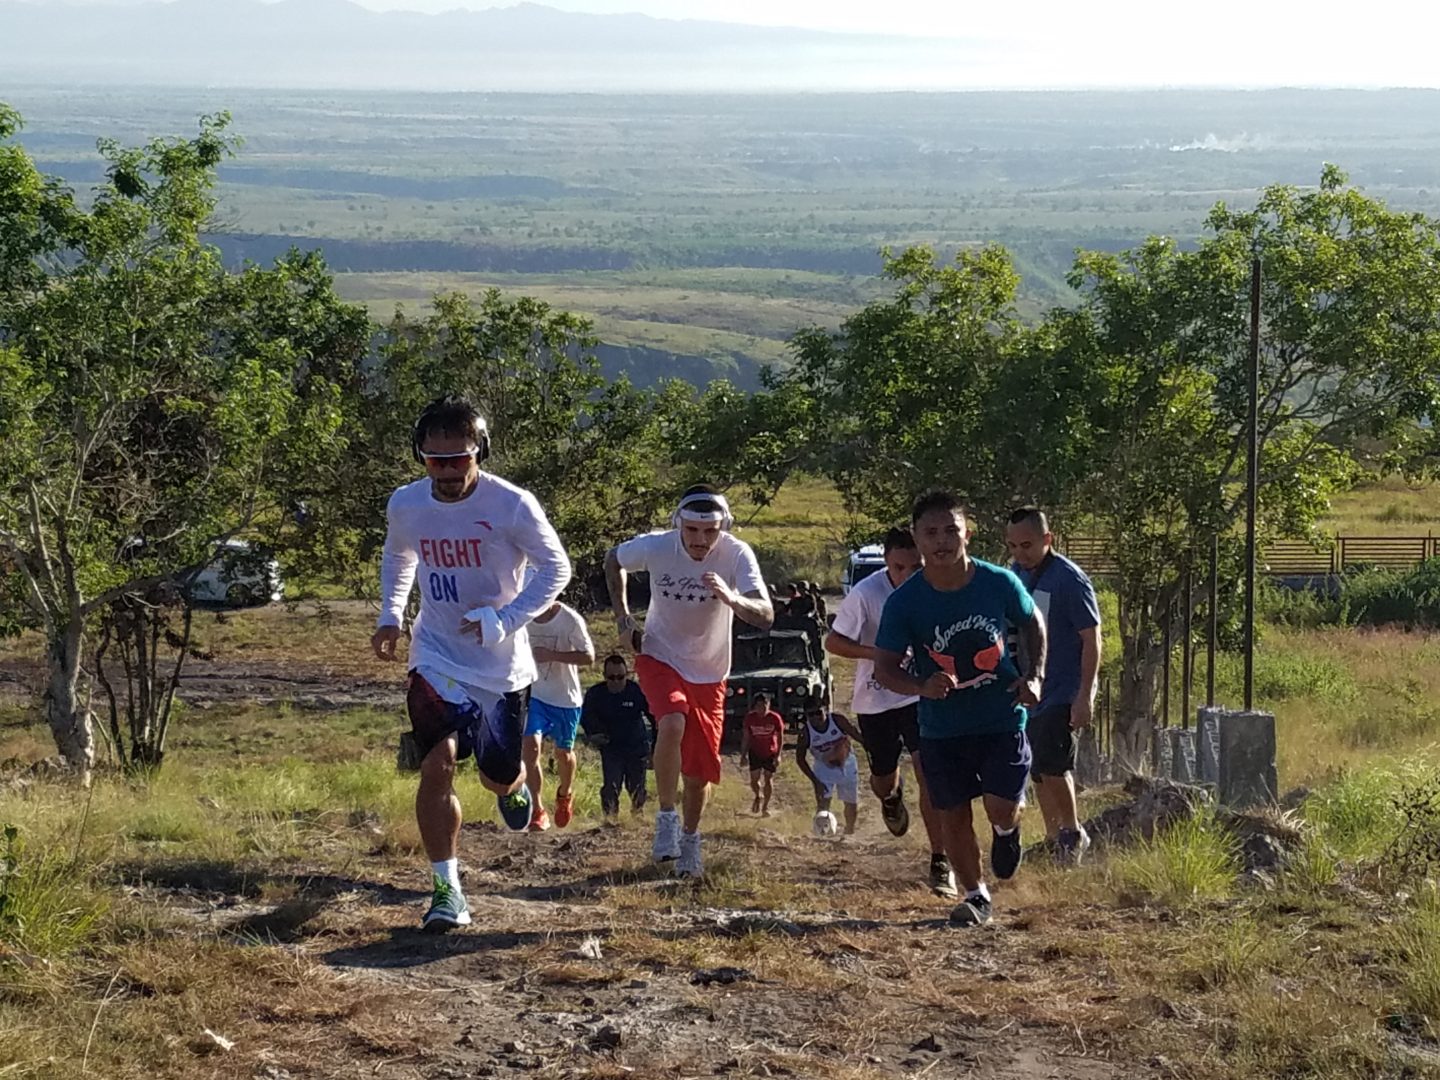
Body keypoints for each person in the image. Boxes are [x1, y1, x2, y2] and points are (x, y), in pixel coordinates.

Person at [371, 396, 570, 933]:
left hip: (500, 666)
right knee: (436, 763)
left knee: (496, 775)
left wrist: (506, 618)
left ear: (480, 452)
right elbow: (399, 556)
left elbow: (556, 569)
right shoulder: (407, 504)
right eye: (436, 461)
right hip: (435, 652)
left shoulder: (512, 505)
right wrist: (392, 615)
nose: (448, 471)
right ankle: (447, 891)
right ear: (421, 457)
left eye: (459, 459)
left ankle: (515, 787)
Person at [874, 490, 1046, 928]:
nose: (941, 541)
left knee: (999, 807)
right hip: (941, 726)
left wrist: (1035, 674)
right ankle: (975, 895)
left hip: (1001, 715)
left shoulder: (997, 582)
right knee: (952, 812)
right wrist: (921, 685)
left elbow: (1031, 622)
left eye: (950, 530)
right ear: (916, 539)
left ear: (967, 533)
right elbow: (885, 668)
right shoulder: (905, 602)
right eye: (930, 533)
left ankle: (1007, 832)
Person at [605, 484, 773, 878]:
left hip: (710, 669)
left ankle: (691, 841)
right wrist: (622, 617)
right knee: (672, 720)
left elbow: (765, 614)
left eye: (710, 531)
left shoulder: (736, 554)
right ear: (678, 524)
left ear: (723, 527)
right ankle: (666, 818)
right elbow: (613, 560)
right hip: (658, 652)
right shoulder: (658, 546)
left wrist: (732, 598)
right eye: (692, 530)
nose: (700, 540)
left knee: (698, 776)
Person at [825, 526, 956, 898]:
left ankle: (939, 859)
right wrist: (878, 655)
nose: (906, 575)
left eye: (915, 567)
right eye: (899, 567)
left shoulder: (937, 587)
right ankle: (890, 796)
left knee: (929, 773)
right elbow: (833, 641)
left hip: (920, 697)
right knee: (883, 778)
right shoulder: (867, 594)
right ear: (886, 562)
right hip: (876, 699)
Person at [1006, 507, 1101, 865]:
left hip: (1063, 688)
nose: (1020, 553)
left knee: (1054, 763)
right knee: (1038, 766)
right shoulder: (1015, 574)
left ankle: (1073, 832)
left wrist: (1084, 695)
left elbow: (1091, 639)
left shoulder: (1069, 580)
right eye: (1013, 546)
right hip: (1031, 691)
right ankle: (1051, 836)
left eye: (1027, 545)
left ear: (1048, 539)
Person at [522, 597, 596, 831]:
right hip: (533, 695)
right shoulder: (521, 615)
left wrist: (552, 655)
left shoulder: (570, 620)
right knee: (530, 747)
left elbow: (589, 657)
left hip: (565, 698)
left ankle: (565, 794)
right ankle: (537, 809)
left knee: (563, 753)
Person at [580, 654, 655, 819]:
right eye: (611, 677)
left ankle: (637, 818)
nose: (615, 682)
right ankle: (610, 820)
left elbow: (654, 717)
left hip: (636, 746)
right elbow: (585, 718)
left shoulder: (636, 691)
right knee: (611, 786)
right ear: (604, 676)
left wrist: (655, 749)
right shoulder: (596, 694)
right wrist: (594, 734)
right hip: (611, 747)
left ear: (626, 675)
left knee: (636, 787)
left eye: (620, 677)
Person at [795, 694, 864, 836]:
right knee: (823, 802)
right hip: (823, 767)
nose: (815, 718)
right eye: (810, 715)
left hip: (847, 763)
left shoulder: (838, 720)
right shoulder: (806, 733)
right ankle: (823, 833)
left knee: (851, 801)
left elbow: (857, 735)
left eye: (818, 713)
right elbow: (800, 759)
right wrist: (815, 781)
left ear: (825, 709)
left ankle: (849, 831)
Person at [740, 691, 785, 816]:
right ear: (755, 707)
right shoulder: (750, 718)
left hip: (770, 751)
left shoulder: (775, 718)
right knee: (754, 779)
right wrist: (743, 755)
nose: (763, 708)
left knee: (768, 778)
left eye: (765, 704)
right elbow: (746, 737)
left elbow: (781, 737)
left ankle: (765, 807)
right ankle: (758, 795)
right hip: (755, 751)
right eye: (760, 705)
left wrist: (778, 755)